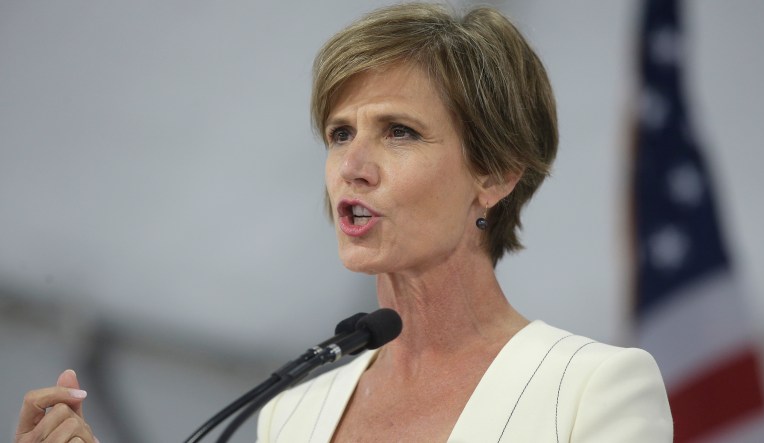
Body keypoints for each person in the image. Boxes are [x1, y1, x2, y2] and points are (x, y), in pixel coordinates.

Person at [16, 3, 673, 442]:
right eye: (339, 133)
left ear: (496, 175)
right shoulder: (290, 409)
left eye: (399, 132)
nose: (351, 166)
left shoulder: (592, 388)